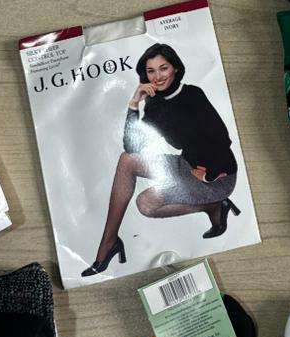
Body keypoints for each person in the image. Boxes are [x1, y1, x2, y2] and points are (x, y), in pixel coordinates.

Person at [83, 43, 240, 276]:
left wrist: (210, 174)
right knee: (127, 160)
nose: (157, 77)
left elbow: (222, 139)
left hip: (217, 176)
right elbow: (133, 147)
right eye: (151, 71)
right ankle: (109, 241)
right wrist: (134, 103)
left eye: (163, 68)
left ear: (175, 68)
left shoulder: (193, 94)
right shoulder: (155, 104)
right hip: (185, 166)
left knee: (146, 204)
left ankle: (214, 204)